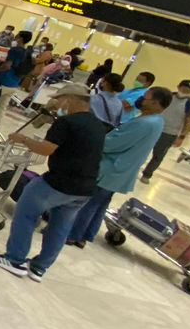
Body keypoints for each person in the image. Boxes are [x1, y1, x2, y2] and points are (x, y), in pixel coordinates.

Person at [0, 83, 106, 281]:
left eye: (59, 99)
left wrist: (22, 139)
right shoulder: (98, 125)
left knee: (26, 213)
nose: (57, 103)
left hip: (57, 183)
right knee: (60, 228)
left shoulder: (66, 122)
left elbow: (45, 149)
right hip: (84, 189)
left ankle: (15, 259)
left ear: (69, 99)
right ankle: (39, 267)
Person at [67, 86, 171, 247]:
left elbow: (115, 143)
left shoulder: (144, 123)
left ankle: (73, 234)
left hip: (112, 168)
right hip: (122, 169)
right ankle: (86, 235)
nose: (142, 99)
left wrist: (93, 140)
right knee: (100, 204)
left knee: (89, 202)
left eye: (146, 97)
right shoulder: (156, 120)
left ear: (156, 103)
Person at [141, 79, 190, 182]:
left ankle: (147, 174)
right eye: (184, 88)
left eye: (188, 90)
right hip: (153, 126)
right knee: (140, 148)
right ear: (178, 86)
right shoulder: (168, 96)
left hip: (169, 133)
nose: (185, 91)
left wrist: (181, 136)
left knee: (158, 155)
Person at [0, 30, 32, 127]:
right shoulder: (26, 52)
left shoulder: (14, 50)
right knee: (1, 110)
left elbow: (7, 66)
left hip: (3, 81)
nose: (15, 36)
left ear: (21, 38)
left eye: (18, 35)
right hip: (14, 83)